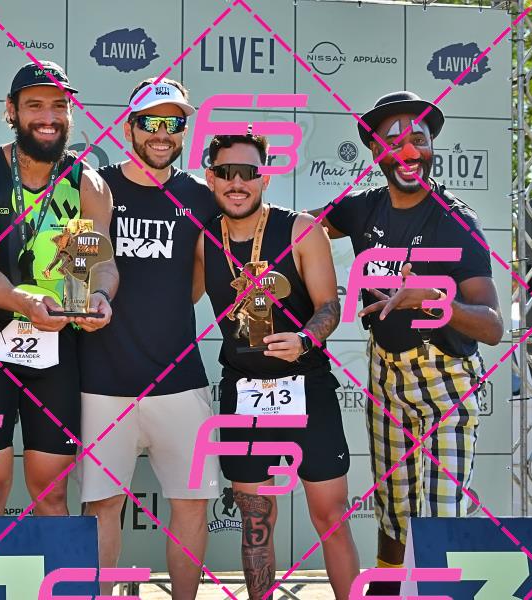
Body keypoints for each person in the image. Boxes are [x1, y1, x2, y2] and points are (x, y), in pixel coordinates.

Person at [310, 91, 503, 595]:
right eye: (394, 141)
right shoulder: (362, 208)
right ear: (376, 152)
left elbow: (493, 326)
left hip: (445, 383)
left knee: (439, 517)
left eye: (419, 138)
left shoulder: (457, 221)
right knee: (394, 513)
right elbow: (302, 230)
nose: (409, 150)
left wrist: (436, 301)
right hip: (385, 378)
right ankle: (387, 591)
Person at [0, 60, 118, 516]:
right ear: (12, 110)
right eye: (35, 105)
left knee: (52, 491)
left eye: (59, 106)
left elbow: (103, 263)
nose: (48, 117)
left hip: (58, 349)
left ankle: (54, 569)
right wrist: (23, 301)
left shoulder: (89, 183)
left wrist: (101, 296)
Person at [197, 134, 359, 599]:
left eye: (248, 172)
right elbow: (169, 296)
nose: (237, 182)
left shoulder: (301, 229)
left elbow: (329, 306)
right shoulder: (203, 239)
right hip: (243, 390)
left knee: (331, 515)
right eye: (226, 172)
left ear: (264, 177)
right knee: (255, 524)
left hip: (306, 385)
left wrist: (305, 339)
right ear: (211, 178)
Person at [76, 78, 221, 600]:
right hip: (102, 379)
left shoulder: (200, 197)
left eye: (174, 122)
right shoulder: (97, 187)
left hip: (179, 378)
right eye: (151, 122)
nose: (162, 133)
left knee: (192, 503)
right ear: (130, 127)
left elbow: (196, 284)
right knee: (102, 506)